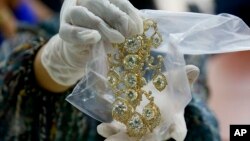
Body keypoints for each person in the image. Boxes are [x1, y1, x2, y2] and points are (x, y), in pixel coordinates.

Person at [0, 0, 220, 140]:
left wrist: (184, 106)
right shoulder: (47, 25)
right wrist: (51, 65)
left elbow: (197, 85)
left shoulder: (178, 26)